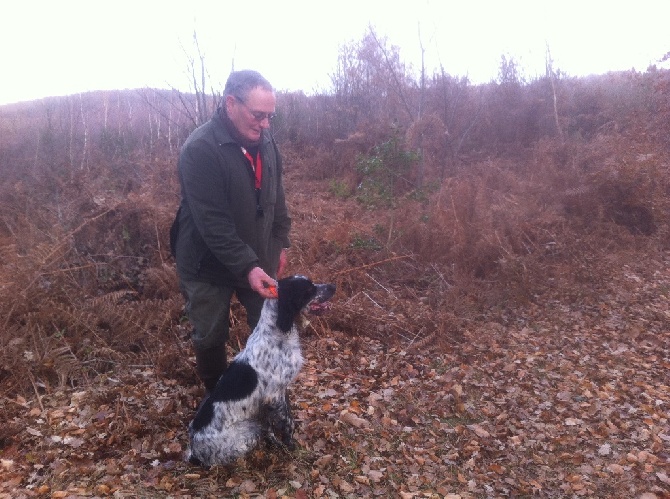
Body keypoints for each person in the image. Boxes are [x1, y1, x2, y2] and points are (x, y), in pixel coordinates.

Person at [170, 70, 291, 392]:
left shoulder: (266, 142)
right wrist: (247, 265)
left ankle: (268, 395)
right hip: (206, 262)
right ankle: (216, 394)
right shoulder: (200, 149)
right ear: (231, 104)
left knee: (269, 326)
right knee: (210, 334)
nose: (265, 124)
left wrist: (281, 244)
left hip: (256, 257)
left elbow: (276, 198)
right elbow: (212, 222)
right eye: (257, 115)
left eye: (270, 116)